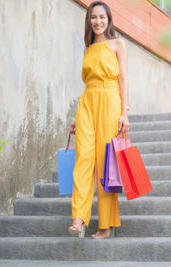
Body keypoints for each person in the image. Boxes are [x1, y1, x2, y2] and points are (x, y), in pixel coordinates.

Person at [67, 0, 130, 239]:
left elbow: (123, 79)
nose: (98, 21)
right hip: (87, 103)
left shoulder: (118, 44)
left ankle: (105, 225)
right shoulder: (87, 48)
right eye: (94, 17)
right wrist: (77, 118)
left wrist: (125, 112)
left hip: (110, 99)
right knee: (83, 158)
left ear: (109, 19)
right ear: (89, 20)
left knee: (106, 162)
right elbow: (86, 85)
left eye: (102, 17)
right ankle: (79, 218)